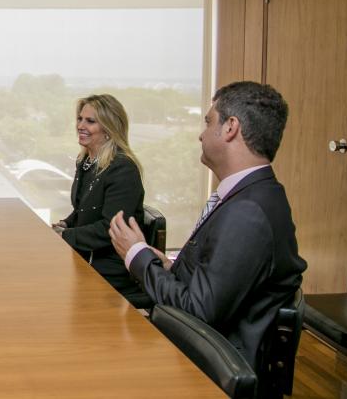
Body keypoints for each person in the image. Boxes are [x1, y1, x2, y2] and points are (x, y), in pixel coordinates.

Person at [109, 81, 306, 372]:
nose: (201, 135)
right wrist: (166, 266)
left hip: (211, 365)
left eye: (208, 122)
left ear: (230, 128)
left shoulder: (248, 211)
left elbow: (199, 311)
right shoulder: (254, 195)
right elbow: (217, 281)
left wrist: (137, 255)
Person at [51, 94, 151, 308]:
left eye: (90, 121)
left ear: (108, 128)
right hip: (85, 257)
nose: (81, 125)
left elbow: (110, 229)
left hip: (108, 268)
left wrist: (65, 235)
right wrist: (67, 223)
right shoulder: (86, 161)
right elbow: (82, 208)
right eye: (80, 119)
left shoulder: (123, 169)